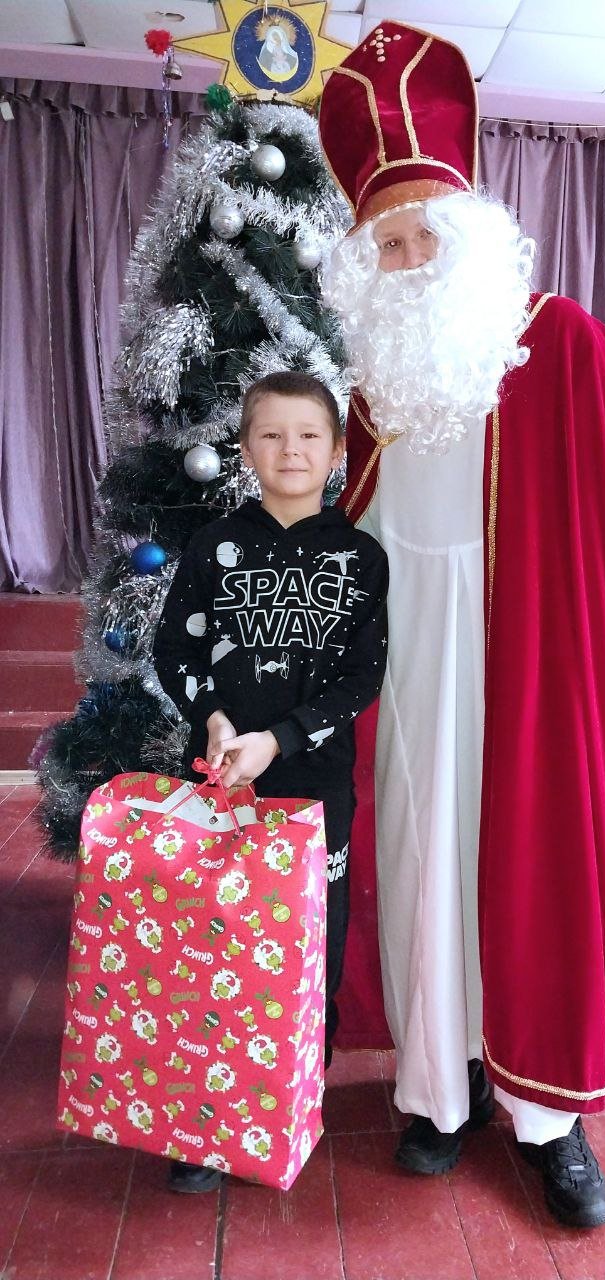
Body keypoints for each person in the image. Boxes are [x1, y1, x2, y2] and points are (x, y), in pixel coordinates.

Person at [318, 22, 605, 1229]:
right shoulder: (374, 384)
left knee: (533, 871)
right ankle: (440, 1084)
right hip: (413, 667)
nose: (410, 260)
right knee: (423, 865)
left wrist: (582, 675)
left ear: (470, 231)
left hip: (531, 663)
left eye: (426, 234)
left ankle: (548, 1117)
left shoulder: (560, 342)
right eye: (387, 244)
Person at [153, 369, 389, 1192]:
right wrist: (216, 722)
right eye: (272, 435)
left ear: (337, 449)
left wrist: (281, 739)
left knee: (309, 942)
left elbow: (361, 677)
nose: (292, 449)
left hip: (317, 789)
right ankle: (209, 1117)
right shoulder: (214, 546)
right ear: (246, 449)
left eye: (310, 435)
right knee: (216, 939)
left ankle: (292, 1095)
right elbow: (175, 649)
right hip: (222, 783)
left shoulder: (360, 558)